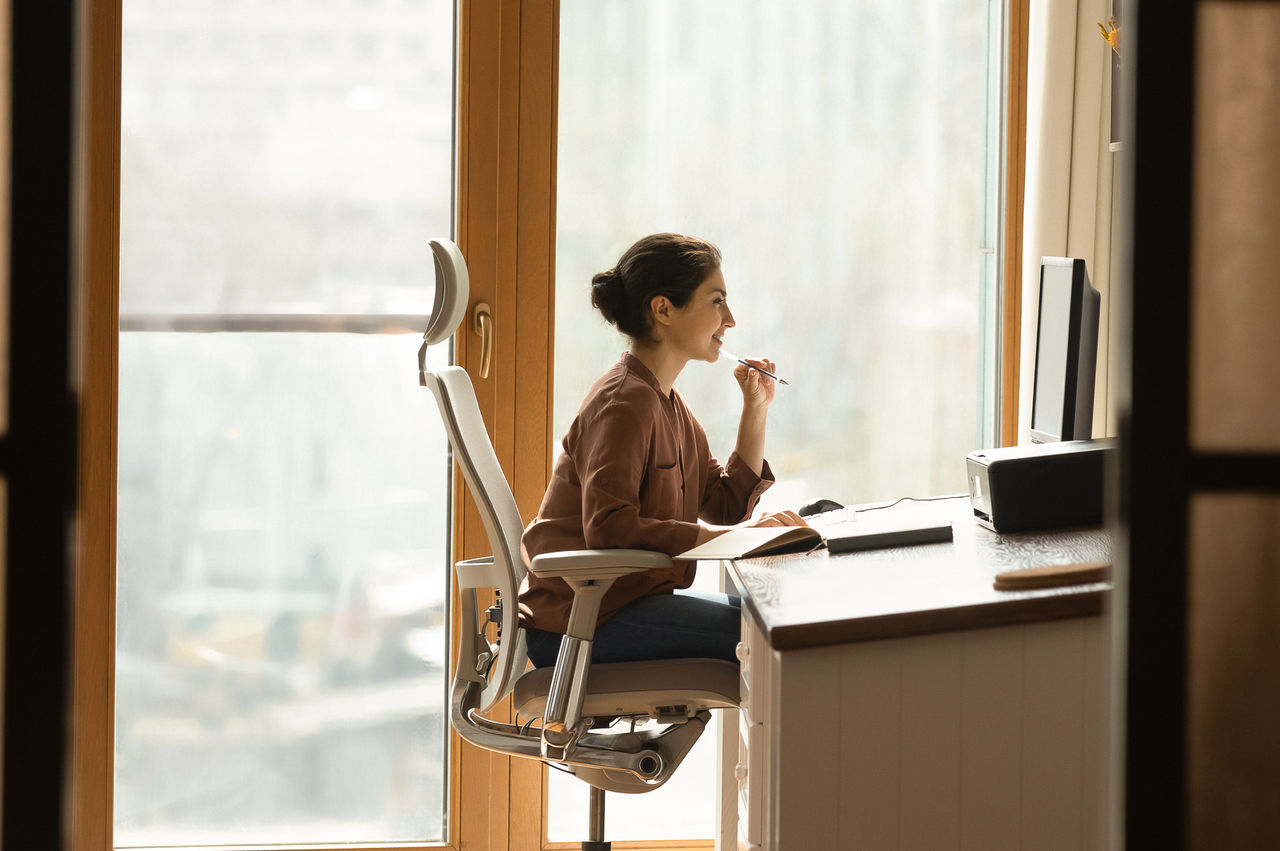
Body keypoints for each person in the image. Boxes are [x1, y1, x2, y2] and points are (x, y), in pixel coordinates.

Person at [518, 232, 806, 668]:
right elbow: (609, 528)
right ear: (663, 309)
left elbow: (725, 505)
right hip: (578, 625)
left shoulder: (666, 400)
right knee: (769, 634)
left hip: (617, 610)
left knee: (770, 619)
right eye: (717, 301)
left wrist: (756, 410)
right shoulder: (624, 401)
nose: (730, 319)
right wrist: (736, 539)